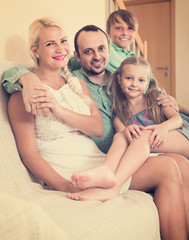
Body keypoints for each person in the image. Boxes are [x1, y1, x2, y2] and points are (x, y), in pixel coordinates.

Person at [6, 18, 189, 240]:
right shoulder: (26, 92)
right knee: (168, 166)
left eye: (62, 41)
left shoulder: (81, 82)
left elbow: (99, 126)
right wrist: (65, 186)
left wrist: (175, 105)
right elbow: (29, 153)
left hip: (99, 158)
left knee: (177, 163)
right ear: (36, 51)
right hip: (69, 165)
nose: (59, 48)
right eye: (50, 44)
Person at [70, 56, 189, 193]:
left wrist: (163, 127)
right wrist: (127, 129)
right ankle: (106, 172)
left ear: (148, 82)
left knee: (142, 135)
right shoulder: (119, 111)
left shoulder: (156, 98)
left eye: (140, 80)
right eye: (129, 78)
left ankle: (115, 186)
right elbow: (122, 134)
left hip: (180, 136)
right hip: (158, 147)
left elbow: (177, 119)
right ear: (120, 79)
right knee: (127, 137)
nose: (134, 84)